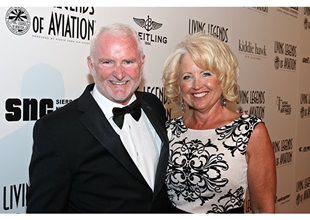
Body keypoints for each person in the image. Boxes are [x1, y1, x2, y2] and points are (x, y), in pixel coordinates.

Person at [26, 23, 174, 213]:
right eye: (108, 62)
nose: (119, 74)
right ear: (91, 64)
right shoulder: (56, 129)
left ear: (142, 63)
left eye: (128, 62)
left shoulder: (153, 105)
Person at [162, 33, 277, 213]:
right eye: (187, 77)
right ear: (178, 84)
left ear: (223, 78)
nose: (197, 85)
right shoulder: (169, 130)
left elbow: (263, 209)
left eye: (206, 73)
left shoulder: (250, 131)